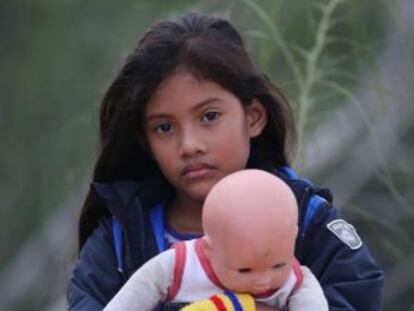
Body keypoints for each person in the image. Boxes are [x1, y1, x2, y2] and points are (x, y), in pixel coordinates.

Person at [68, 13, 383, 311]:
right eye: (164, 127)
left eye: (209, 116)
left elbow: (359, 292)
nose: (189, 145)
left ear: (253, 117)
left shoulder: (306, 217)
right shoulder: (120, 235)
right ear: (145, 141)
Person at [102, 169, 329, 311]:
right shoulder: (180, 264)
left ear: (293, 240)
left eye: (278, 265)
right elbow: (137, 292)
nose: (263, 282)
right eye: (245, 270)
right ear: (209, 249)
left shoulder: (297, 282)